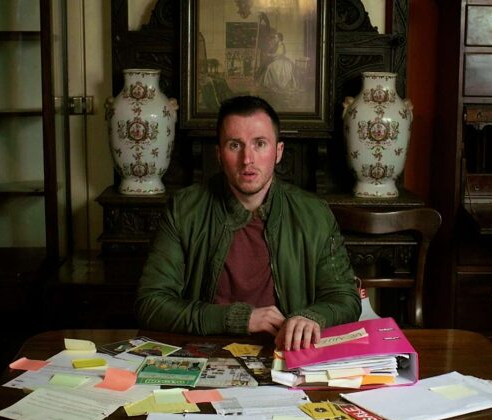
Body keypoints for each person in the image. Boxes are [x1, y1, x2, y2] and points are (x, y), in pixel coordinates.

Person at [136, 95, 360, 350]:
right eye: (235, 145)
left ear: (278, 152)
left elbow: (345, 298)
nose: (247, 159)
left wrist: (311, 317)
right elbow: (151, 303)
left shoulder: (314, 214)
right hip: (206, 352)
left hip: (285, 355)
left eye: (260, 144)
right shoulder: (184, 210)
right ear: (219, 154)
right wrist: (239, 319)